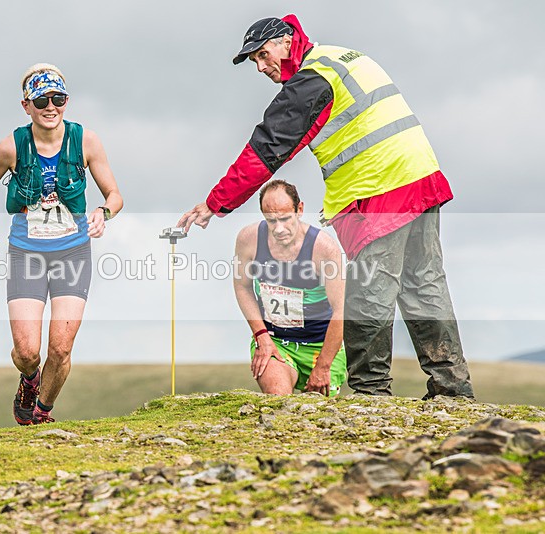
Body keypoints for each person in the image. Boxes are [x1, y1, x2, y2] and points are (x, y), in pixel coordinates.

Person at [178, 15, 474, 399]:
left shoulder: (312, 79)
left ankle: (371, 394)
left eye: (264, 55)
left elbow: (268, 147)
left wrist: (216, 203)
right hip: (419, 174)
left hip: (378, 186)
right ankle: (452, 390)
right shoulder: (343, 58)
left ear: (287, 42)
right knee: (424, 283)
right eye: (254, 62)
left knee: (366, 290)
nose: (262, 67)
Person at [0, 64, 123, 425]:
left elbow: (115, 195)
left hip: (73, 251)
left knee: (61, 346)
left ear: (66, 101)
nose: (50, 106)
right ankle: (29, 379)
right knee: (27, 351)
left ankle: (40, 412)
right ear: (27, 105)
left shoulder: (86, 141)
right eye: (42, 99)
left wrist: (104, 212)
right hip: (27, 252)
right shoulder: (10, 147)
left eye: (57, 98)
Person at [234, 180, 347, 397]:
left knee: (318, 416)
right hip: (275, 340)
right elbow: (243, 287)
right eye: (271, 220)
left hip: (319, 345)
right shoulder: (249, 240)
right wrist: (261, 336)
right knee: (278, 400)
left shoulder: (323, 248)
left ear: (300, 209)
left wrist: (323, 367)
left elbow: (342, 310)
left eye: (285, 219)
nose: (279, 229)